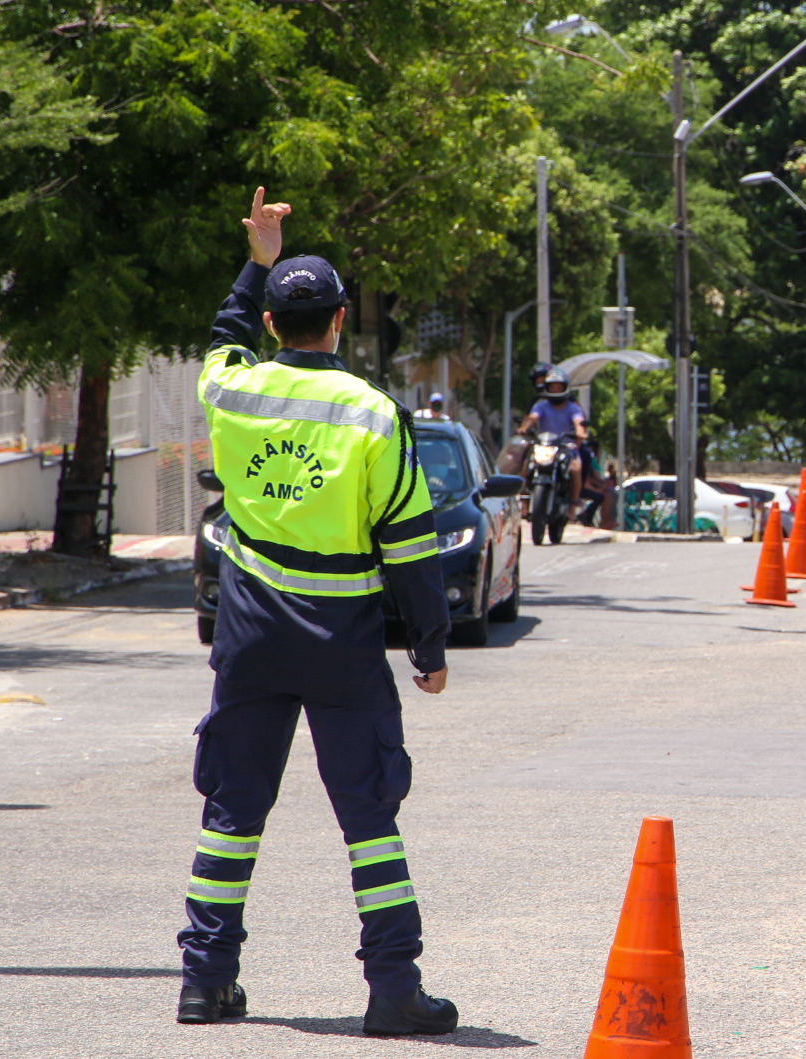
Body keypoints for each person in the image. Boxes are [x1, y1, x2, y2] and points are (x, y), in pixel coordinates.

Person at [178, 188, 457, 1035]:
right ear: (340, 320)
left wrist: (255, 263)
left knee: (232, 810)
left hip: (252, 634)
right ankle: (392, 989)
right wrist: (431, 645)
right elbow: (409, 540)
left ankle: (206, 980)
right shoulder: (373, 413)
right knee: (368, 815)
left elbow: (221, 342)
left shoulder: (233, 392)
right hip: (341, 639)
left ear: (270, 325)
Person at [517, 367, 589, 515]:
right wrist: (525, 427)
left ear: (565, 387)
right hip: (544, 445)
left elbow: (578, 421)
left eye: (559, 387)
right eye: (552, 387)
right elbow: (532, 418)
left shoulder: (573, 407)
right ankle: (524, 501)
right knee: (527, 463)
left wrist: (580, 432)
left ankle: (573, 506)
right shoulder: (541, 405)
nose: (556, 390)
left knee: (576, 468)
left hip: (566, 446)